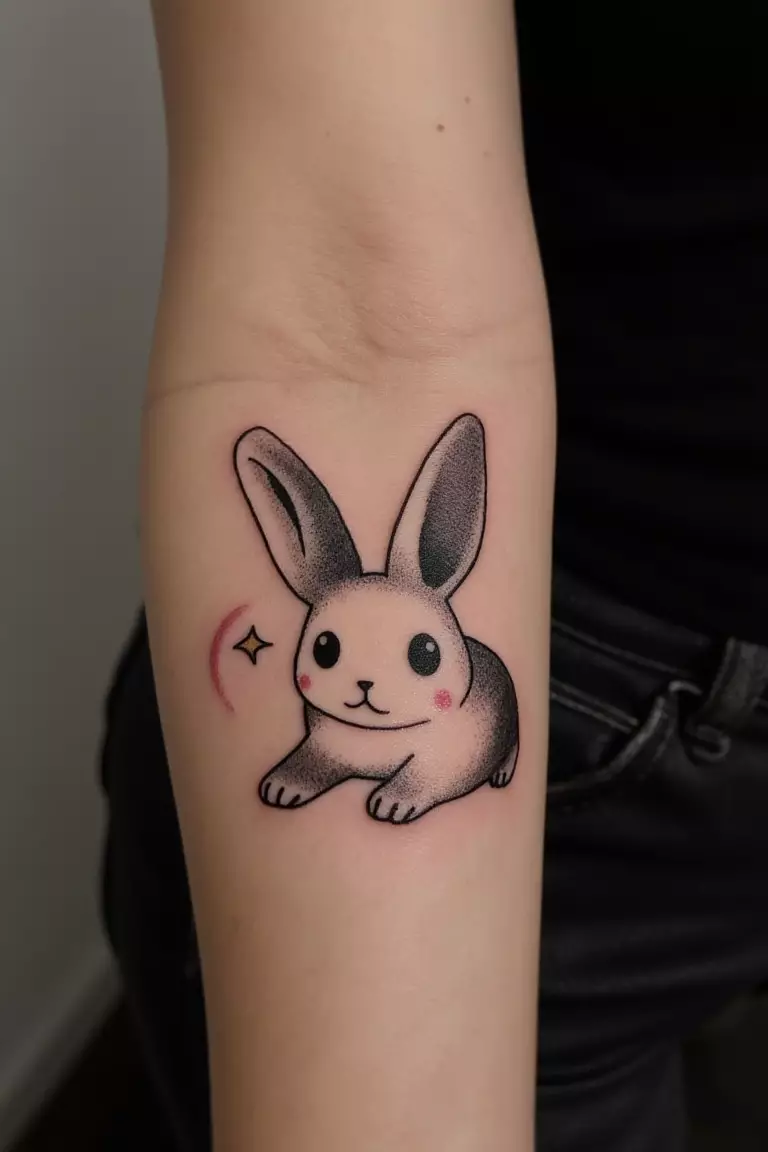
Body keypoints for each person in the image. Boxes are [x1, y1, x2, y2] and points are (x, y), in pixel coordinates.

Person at [102, 1, 768, 1149]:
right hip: (604, 719)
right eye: (332, 656)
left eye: (408, 655)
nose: (359, 689)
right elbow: (350, 324)